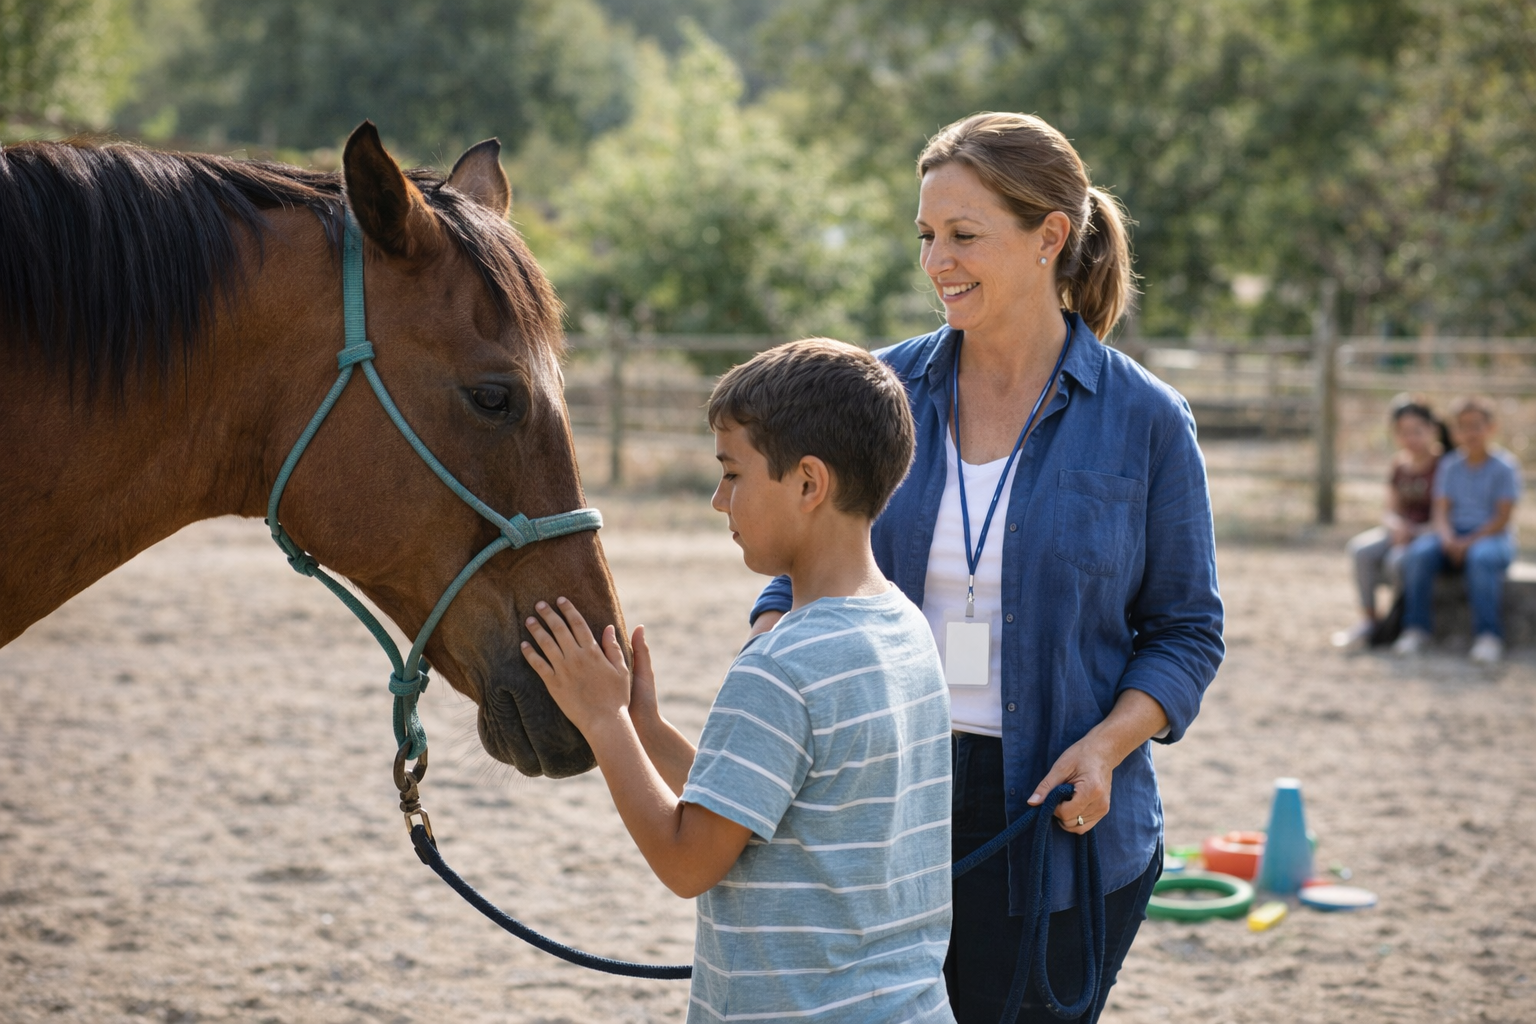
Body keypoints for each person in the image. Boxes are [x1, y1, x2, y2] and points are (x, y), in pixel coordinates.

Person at [749, 113, 1223, 1023]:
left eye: (964, 236)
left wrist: (1108, 746)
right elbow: (791, 576)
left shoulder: (1148, 421)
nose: (937, 261)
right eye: (927, 235)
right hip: (884, 800)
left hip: (1058, 818)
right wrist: (777, 665)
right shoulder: (876, 392)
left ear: (1049, 237)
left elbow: (1186, 632)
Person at [521, 339, 957, 1023]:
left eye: (733, 474)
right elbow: (779, 806)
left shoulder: (780, 666)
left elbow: (688, 862)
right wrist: (649, 732)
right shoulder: (903, 628)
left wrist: (603, 723)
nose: (719, 500)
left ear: (809, 484)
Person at [1394, 396, 1522, 663]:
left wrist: (1469, 541)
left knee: (1481, 558)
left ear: (1491, 427)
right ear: (1453, 431)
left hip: (1492, 537)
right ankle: (1416, 629)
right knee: (1418, 554)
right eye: (1462, 426)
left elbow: (1503, 518)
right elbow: (1441, 511)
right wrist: (1448, 536)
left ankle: (1488, 636)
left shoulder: (1505, 467)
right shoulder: (1450, 465)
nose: (1469, 432)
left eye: (1476, 425)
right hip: (1454, 533)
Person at [1332, 398, 1449, 650]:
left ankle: (1402, 623)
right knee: (1360, 550)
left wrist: (1415, 532)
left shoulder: (1445, 465)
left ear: (1432, 429)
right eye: (1403, 432)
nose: (1410, 438)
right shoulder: (1399, 464)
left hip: (1429, 533)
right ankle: (1370, 619)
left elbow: (1445, 516)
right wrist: (1397, 526)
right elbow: (1389, 510)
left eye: (1417, 431)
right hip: (1401, 532)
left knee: (1397, 560)